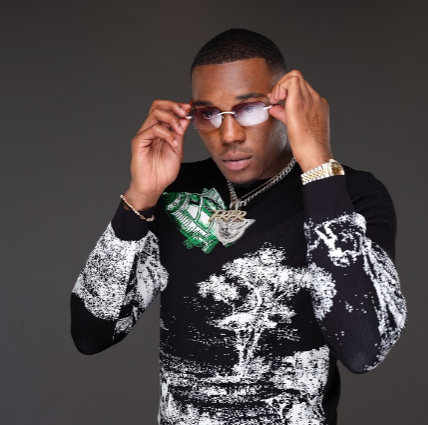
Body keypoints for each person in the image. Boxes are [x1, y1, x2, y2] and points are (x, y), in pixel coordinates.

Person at [70, 28, 407, 425]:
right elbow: (92, 333)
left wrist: (318, 163)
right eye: (209, 114)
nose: (228, 135)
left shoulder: (349, 194)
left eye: (249, 108)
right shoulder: (174, 192)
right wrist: (140, 196)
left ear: (285, 105)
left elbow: (364, 348)